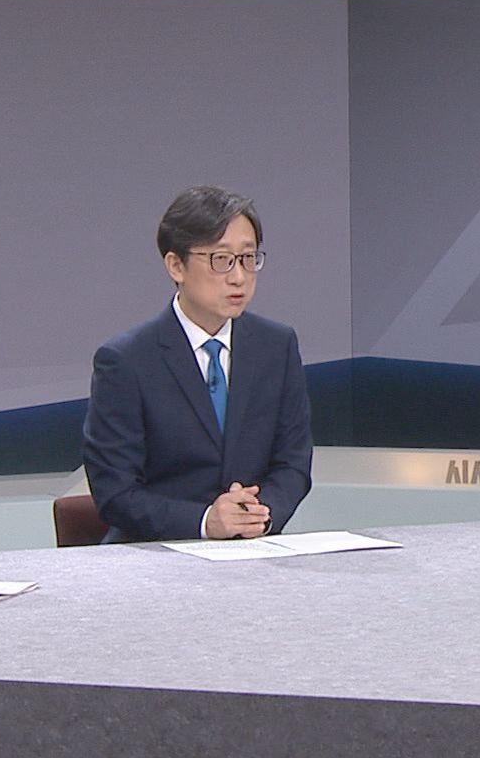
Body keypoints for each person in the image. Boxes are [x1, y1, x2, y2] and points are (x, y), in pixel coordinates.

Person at [82, 186, 313, 542]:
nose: (238, 277)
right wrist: (205, 522)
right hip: (154, 554)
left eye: (248, 258)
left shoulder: (276, 346)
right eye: (221, 260)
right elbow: (116, 492)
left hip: (253, 550)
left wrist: (256, 516)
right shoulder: (126, 361)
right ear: (176, 265)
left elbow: (293, 464)